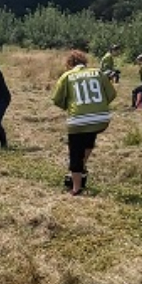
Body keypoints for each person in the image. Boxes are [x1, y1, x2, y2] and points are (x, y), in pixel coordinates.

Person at [52, 49, 116, 196]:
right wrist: (98, 106)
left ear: (69, 64)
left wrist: (70, 107)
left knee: (75, 151)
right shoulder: (98, 73)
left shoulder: (67, 76)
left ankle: (76, 187)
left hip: (78, 120)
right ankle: (83, 167)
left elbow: (57, 99)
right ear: (85, 62)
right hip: (101, 119)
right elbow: (112, 94)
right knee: (89, 137)